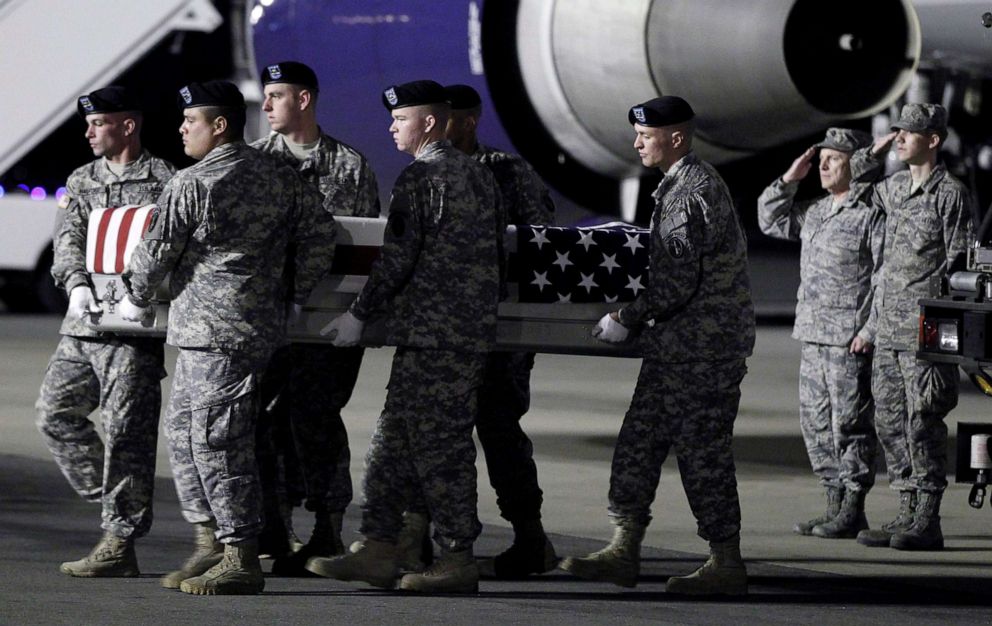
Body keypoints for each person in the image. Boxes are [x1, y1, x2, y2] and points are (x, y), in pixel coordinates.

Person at [120, 80, 334, 595]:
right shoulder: (281, 178)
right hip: (241, 328)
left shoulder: (192, 183)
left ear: (219, 126)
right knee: (190, 436)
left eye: (190, 120)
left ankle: (240, 553)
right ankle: (212, 542)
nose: (181, 128)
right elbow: (320, 235)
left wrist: (134, 296)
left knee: (216, 442)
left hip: (214, 332)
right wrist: (297, 294)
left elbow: (155, 253)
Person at [304, 79, 502, 593]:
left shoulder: (422, 178)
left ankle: (457, 557)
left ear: (429, 123)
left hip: (438, 337)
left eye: (401, 119)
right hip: (455, 334)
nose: (392, 127)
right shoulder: (479, 178)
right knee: (393, 441)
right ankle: (378, 545)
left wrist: (358, 314)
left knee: (440, 449)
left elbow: (397, 258)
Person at [560, 96, 755, 596]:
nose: (637, 142)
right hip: (676, 347)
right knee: (638, 445)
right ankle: (623, 549)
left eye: (645, 135)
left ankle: (725, 562)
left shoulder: (691, 191)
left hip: (703, 351)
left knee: (702, 454)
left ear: (676, 137)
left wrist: (625, 316)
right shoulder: (678, 187)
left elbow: (676, 283)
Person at [390, 83, 558, 578]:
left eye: (455, 118)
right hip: (444, 328)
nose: (446, 126)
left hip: (498, 334)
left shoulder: (505, 172)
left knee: (499, 428)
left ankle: (530, 536)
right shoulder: (423, 172)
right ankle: (417, 539)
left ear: (468, 120)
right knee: (431, 434)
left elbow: (538, 244)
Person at [36, 86, 175, 578]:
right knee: (54, 413)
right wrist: (74, 284)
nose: (89, 132)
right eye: (88, 124)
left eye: (98, 123)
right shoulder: (82, 179)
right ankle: (119, 504)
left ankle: (119, 541)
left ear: (128, 125)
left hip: (133, 331)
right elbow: (68, 238)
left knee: (127, 435)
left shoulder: (165, 180)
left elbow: (171, 246)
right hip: (85, 325)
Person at [251, 60, 381, 573]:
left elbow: (363, 253)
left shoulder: (349, 166)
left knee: (315, 419)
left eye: (276, 95)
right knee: (258, 419)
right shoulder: (252, 163)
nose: (265, 105)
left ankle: (327, 528)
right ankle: (272, 527)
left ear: (303, 100)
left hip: (326, 325)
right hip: (269, 321)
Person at [851, 103, 974, 551]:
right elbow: (856, 183)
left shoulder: (950, 194)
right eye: (897, 131)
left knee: (924, 420)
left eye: (909, 132)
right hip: (888, 330)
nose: (900, 137)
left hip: (925, 331)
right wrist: (874, 149)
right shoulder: (895, 186)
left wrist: (949, 334)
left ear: (934, 139)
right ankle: (904, 506)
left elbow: (961, 266)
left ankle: (928, 515)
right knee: (889, 420)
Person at [756, 128, 884, 539]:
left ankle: (853, 506)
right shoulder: (816, 211)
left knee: (850, 424)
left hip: (849, 338)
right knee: (815, 424)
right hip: (812, 334)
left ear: (856, 163)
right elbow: (770, 219)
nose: (824, 166)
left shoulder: (871, 214)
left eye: (834, 158)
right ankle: (832, 502)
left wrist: (870, 329)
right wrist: (791, 178)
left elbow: (883, 276)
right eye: (821, 158)